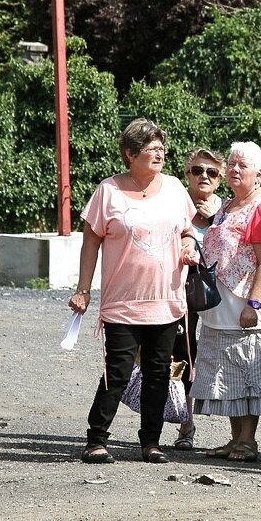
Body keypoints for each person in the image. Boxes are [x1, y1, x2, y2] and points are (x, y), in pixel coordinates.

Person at [70, 118, 199, 465]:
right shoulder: (108, 191)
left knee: (159, 373)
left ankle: (151, 443)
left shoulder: (174, 189)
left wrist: (189, 247)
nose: (160, 153)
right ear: (130, 153)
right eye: (151, 148)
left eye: (161, 148)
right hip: (123, 302)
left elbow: (187, 231)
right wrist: (83, 290)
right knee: (118, 371)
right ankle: (96, 440)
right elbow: (90, 243)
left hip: (166, 299)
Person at [188, 141, 261, 463]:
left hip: (246, 308)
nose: (234, 169)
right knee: (229, 377)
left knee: (249, 376)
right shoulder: (227, 205)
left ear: (259, 173)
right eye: (231, 163)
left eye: (242, 165)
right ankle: (234, 439)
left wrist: (253, 304)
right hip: (221, 309)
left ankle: (248, 441)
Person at [171, 147, 225, 451]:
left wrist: (215, 219)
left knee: (215, 355)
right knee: (183, 356)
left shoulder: (227, 208)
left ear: (219, 180)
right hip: (181, 290)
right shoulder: (175, 203)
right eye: (197, 170)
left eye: (211, 172)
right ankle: (185, 424)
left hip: (219, 292)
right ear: (187, 173)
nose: (204, 176)